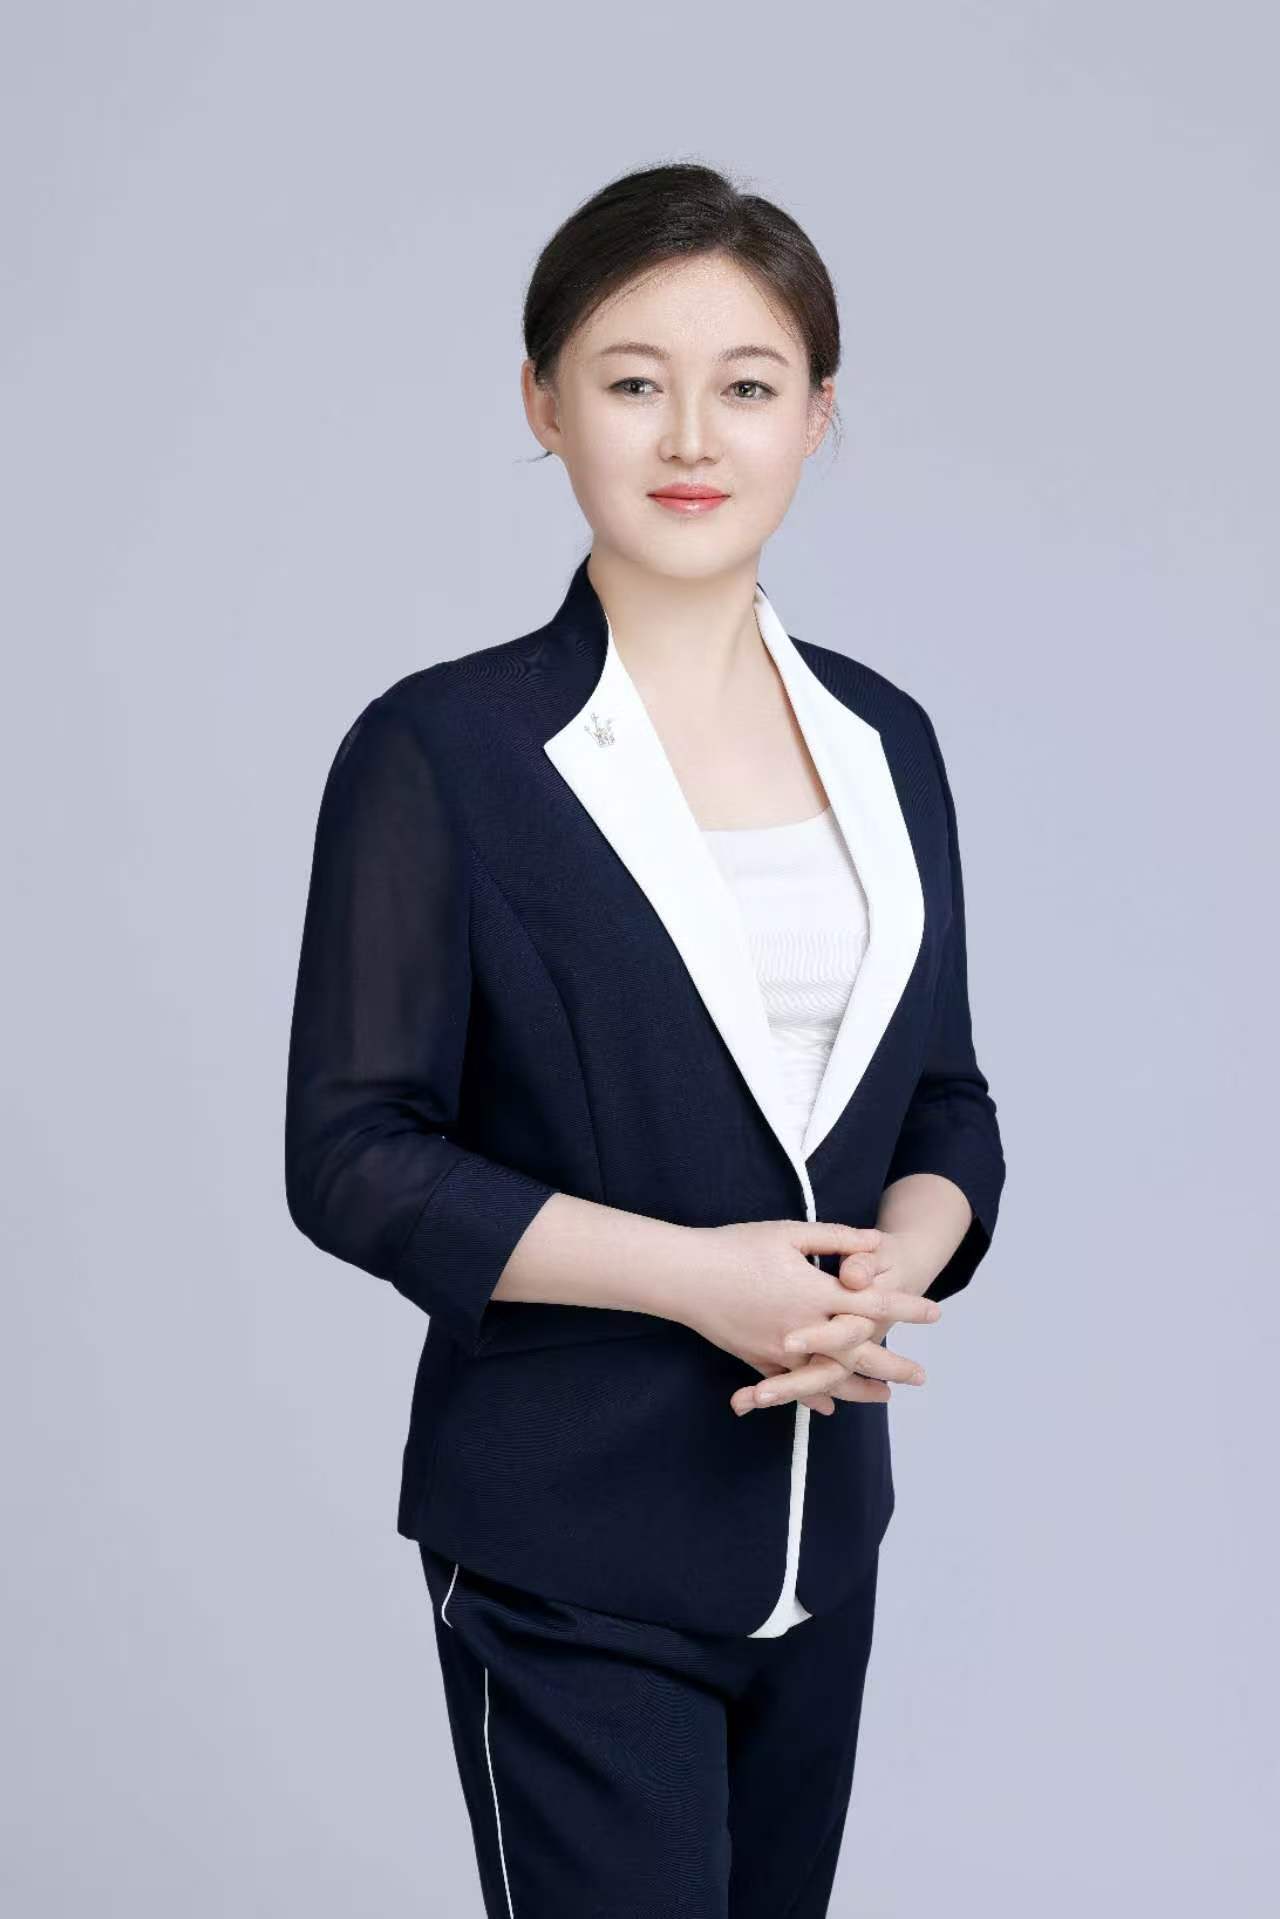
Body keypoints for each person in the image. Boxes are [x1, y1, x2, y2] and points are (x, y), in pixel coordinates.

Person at [285, 161, 1007, 1918]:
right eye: (631, 380)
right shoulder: (441, 752)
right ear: (544, 404)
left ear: (815, 417)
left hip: (822, 1544)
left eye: (748, 385)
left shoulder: (890, 741)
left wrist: (899, 1263)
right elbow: (354, 1158)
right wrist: (698, 1281)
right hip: (567, 1547)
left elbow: (947, 1103)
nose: (692, 435)